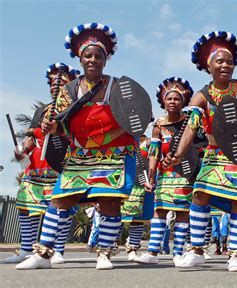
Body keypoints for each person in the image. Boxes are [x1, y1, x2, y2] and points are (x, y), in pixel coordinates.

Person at [17, 22, 138, 270]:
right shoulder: (69, 90)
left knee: (109, 201)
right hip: (79, 154)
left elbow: (135, 119)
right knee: (60, 199)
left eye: (98, 56)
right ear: (80, 59)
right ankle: (42, 254)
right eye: (88, 55)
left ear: (105, 59)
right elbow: (62, 125)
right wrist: (53, 129)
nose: (93, 60)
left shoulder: (117, 86)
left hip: (113, 153)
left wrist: (105, 138)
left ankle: (104, 253)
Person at [166, 31, 237, 272]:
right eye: (219, 61)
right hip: (213, 155)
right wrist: (179, 153)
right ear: (208, 66)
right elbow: (191, 127)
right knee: (199, 193)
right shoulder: (202, 96)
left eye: (229, 61)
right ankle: (198, 249)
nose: (225, 65)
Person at [5, 63, 79, 264]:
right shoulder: (41, 111)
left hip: (63, 167)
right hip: (36, 168)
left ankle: (58, 250)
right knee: (25, 207)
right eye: (52, 83)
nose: (56, 86)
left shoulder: (77, 110)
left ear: (71, 85)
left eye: (61, 82)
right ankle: (26, 249)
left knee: (62, 210)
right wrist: (23, 151)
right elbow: (31, 138)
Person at [134, 77, 196, 266]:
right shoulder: (159, 124)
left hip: (185, 174)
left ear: (183, 102)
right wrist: (151, 176)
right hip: (165, 175)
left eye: (177, 99)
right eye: (169, 98)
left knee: (182, 211)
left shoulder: (190, 121)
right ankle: (153, 252)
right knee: (159, 211)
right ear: (163, 101)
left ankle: (178, 252)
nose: (172, 102)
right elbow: (154, 152)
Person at [120, 135, 154, 261]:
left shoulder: (148, 143)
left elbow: (153, 159)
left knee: (138, 218)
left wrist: (150, 178)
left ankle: (133, 247)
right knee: (115, 215)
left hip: (140, 184)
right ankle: (110, 245)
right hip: (122, 181)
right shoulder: (121, 138)